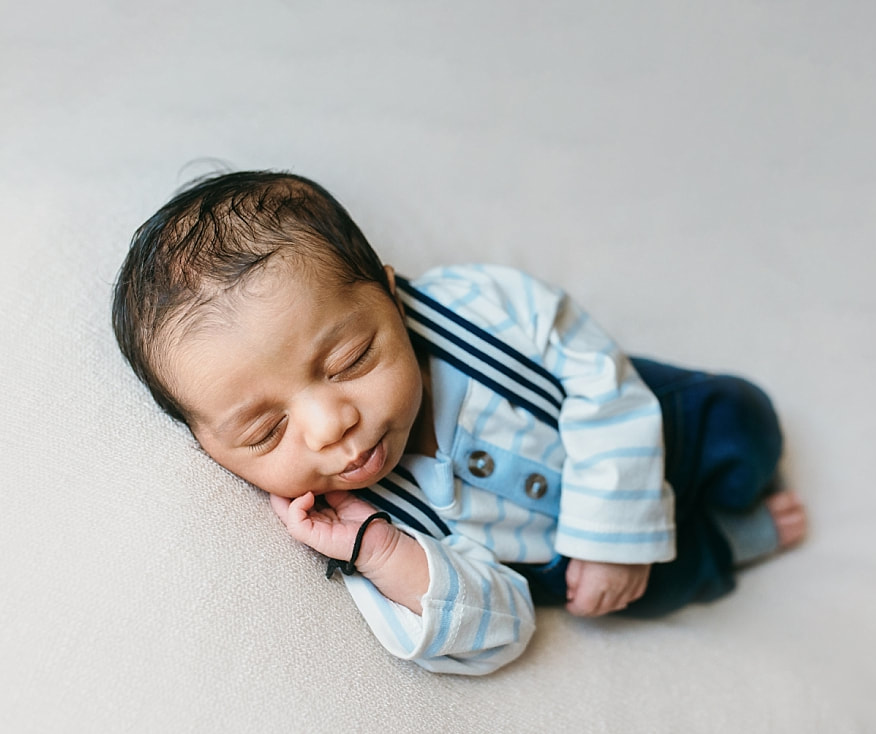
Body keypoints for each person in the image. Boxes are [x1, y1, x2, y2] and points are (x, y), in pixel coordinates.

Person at [112, 170, 807, 675]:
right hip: (565, 564)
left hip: (639, 424)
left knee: (742, 420)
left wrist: (613, 528)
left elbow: (597, 372)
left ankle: (738, 481)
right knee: (656, 588)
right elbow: (500, 628)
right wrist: (385, 555)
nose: (331, 426)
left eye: (351, 358)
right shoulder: (353, 523)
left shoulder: (474, 307)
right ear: (208, 448)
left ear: (390, 293)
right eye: (265, 432)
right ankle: (734, 542)